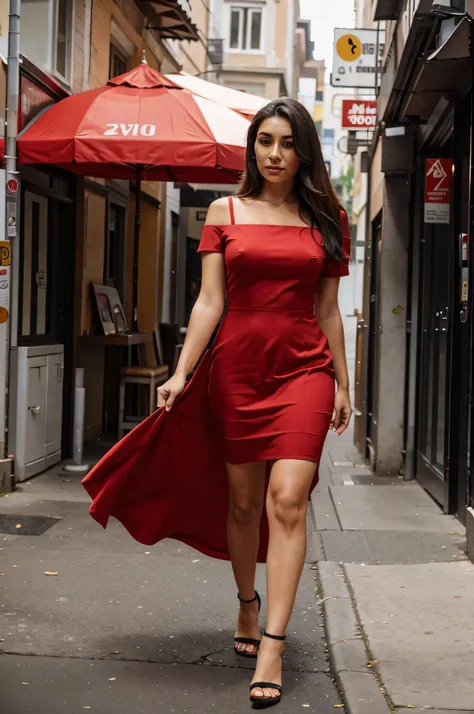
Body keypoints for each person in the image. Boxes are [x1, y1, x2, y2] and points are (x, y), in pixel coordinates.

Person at [156, 98, 352, 708]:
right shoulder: (225, 210)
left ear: (304, 152)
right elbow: (209, 301)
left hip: (304, 371)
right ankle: (248, 601)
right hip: (238, 370)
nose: (274, 153)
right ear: (253, 147)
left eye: (287, 143)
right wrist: (181, 372)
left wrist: (344, 383)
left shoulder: (328, 219)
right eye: (265, 141)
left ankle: (273, 642)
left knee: (288, 500)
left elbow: (326, 311)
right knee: (245, 505)